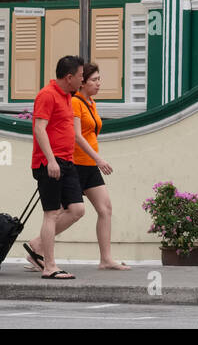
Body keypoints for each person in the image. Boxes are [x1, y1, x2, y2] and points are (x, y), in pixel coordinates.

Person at [26, 55, 86, 280]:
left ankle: (37, 245)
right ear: (69, 77)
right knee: (51, 213)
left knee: (77, 209)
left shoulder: (68, 96)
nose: (83, 80)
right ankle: (49, 266)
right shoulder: (47, 95)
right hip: (48, 162)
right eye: (81, 76)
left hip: (67, 162)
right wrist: (50, 160)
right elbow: (40, 129)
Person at [71, 62, 130, 271]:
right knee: (65, 212)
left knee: (105, 209)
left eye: (99, 79)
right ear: (82, 82)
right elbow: (77, 136)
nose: (98, 83)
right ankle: (37, 247)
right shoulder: (75, 103)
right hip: (77, 165)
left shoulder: (91, 103)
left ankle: (106, 259)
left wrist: (94, 160)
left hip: (89, 166)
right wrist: (98, 158)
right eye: (94, 80)